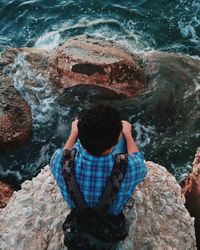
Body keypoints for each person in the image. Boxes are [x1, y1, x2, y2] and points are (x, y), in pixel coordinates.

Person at [50, 104, 147, 248]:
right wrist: (127, 134)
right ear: (116, 138)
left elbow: (66, 152)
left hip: (78, 211)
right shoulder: (129, 168)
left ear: (79, 135)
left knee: (87, 143)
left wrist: (73, 133)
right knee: (122, 146)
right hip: (110, 217)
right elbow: (138, 159)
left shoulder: (58, 161)